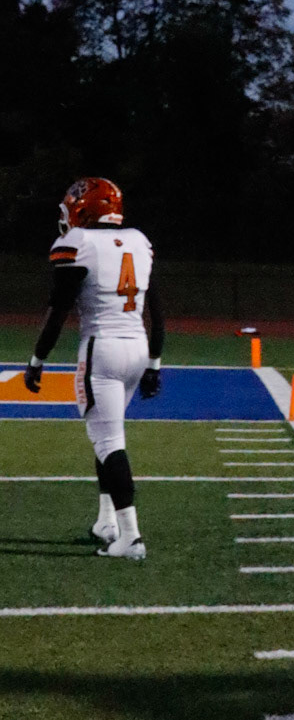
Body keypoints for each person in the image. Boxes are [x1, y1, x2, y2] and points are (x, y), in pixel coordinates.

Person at [24, 177, 163, 561]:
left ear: (85, 209)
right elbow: (156, 311)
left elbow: (58, 309)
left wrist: (37, 359)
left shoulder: (78, 243)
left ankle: (130, 537)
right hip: (137, 348)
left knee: (109, 442)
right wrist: (154, 363)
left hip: (102, 350)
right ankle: (107, 522)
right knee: (107, 435)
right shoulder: (139, 241)